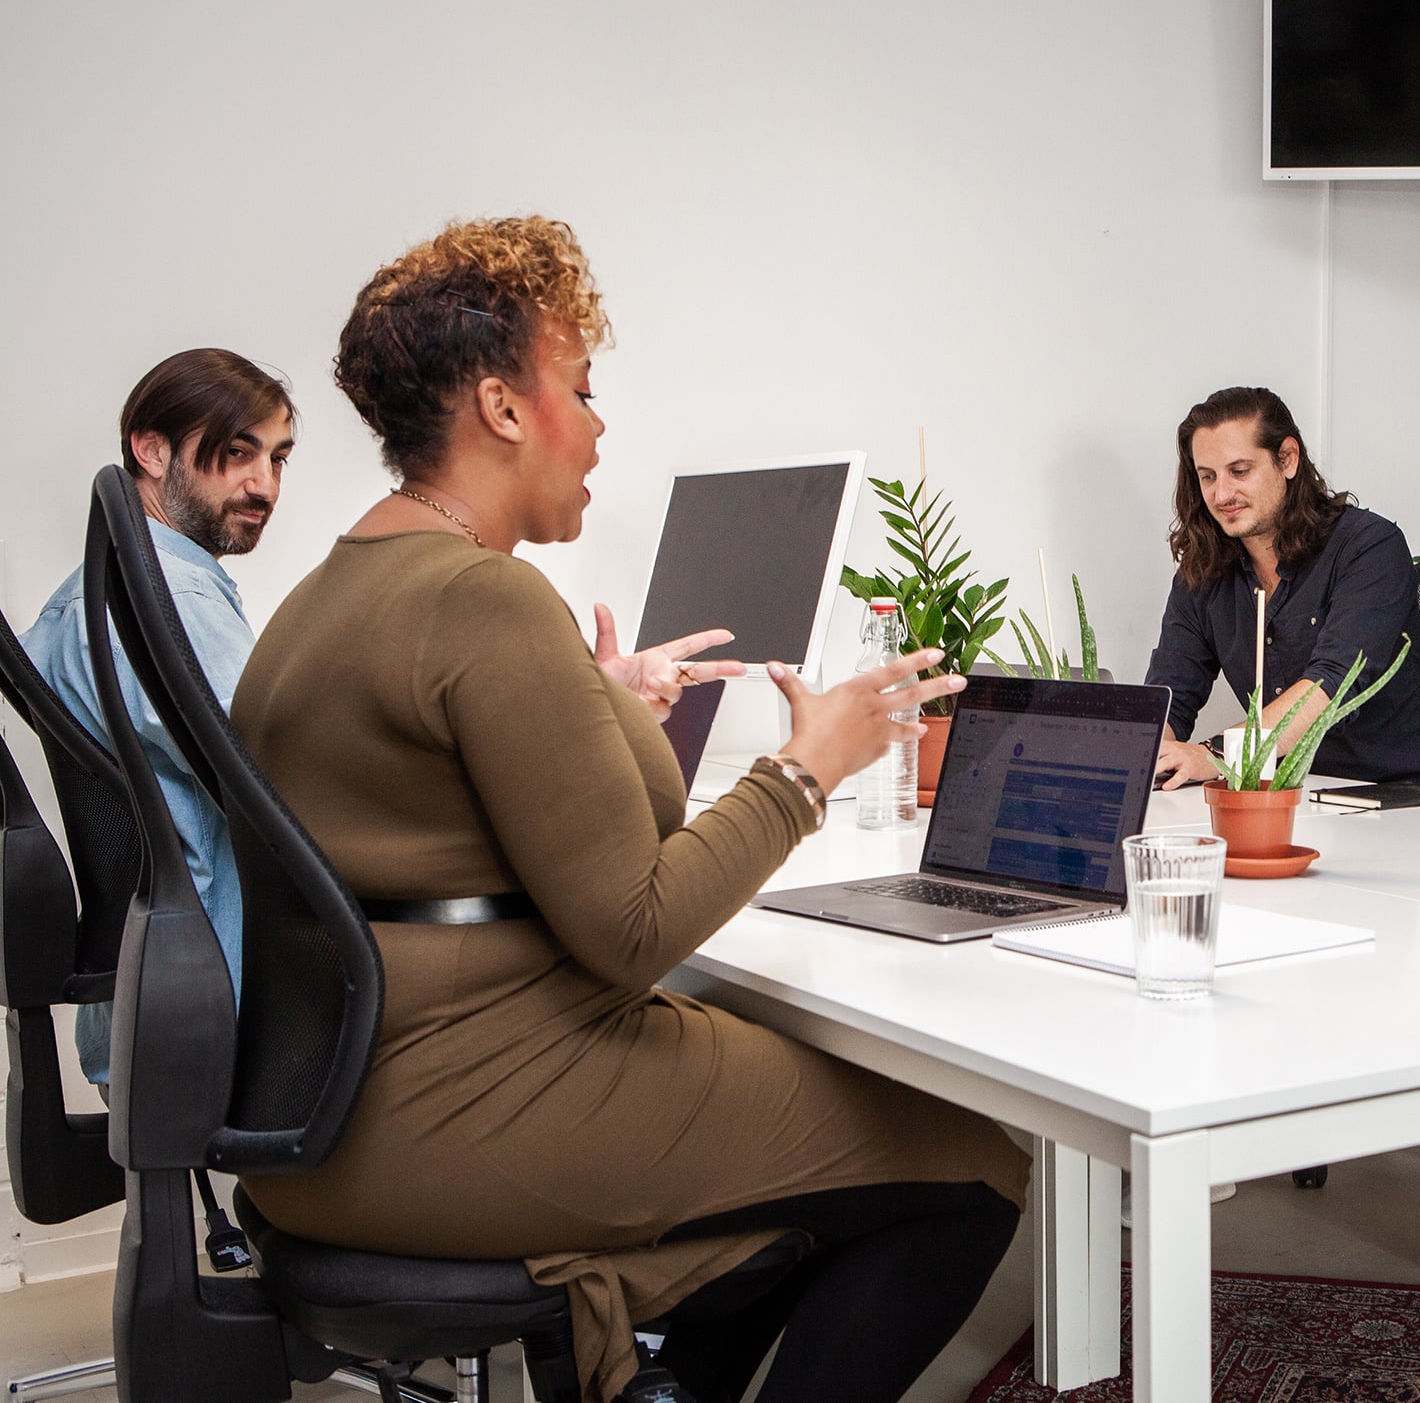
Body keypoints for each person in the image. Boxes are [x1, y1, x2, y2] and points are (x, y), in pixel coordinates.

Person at [228, 216, 1027, 1403]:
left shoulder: (329, 590)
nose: (599, 426)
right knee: (970, 1158)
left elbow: (518, 824)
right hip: (457, 1110)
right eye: (583, 389)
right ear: (503, 408)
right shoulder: (485, 602)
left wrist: (593, 708)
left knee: (786, 1108)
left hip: (321, 1115)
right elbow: (636, 927)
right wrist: (805, 770)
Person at [23, 348, 296, 1085]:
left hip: (144, 1007)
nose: (264, 484)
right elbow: (290, 796)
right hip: (227, 1007)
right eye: (238, 453)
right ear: (150, 449)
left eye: (278, 459)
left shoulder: (82, 596)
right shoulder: (176, 599)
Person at [1146, 386, 1420, 788]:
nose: (1221, 494)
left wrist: (1214, 755)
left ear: (1287, 459)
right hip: (1290, 793)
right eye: (1208, 477)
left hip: (1405, 792)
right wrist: (1145, 755)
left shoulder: (1369, 547)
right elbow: (1171, 696)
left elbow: (1332, 687)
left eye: (1239, 471)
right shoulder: (1204, 571)